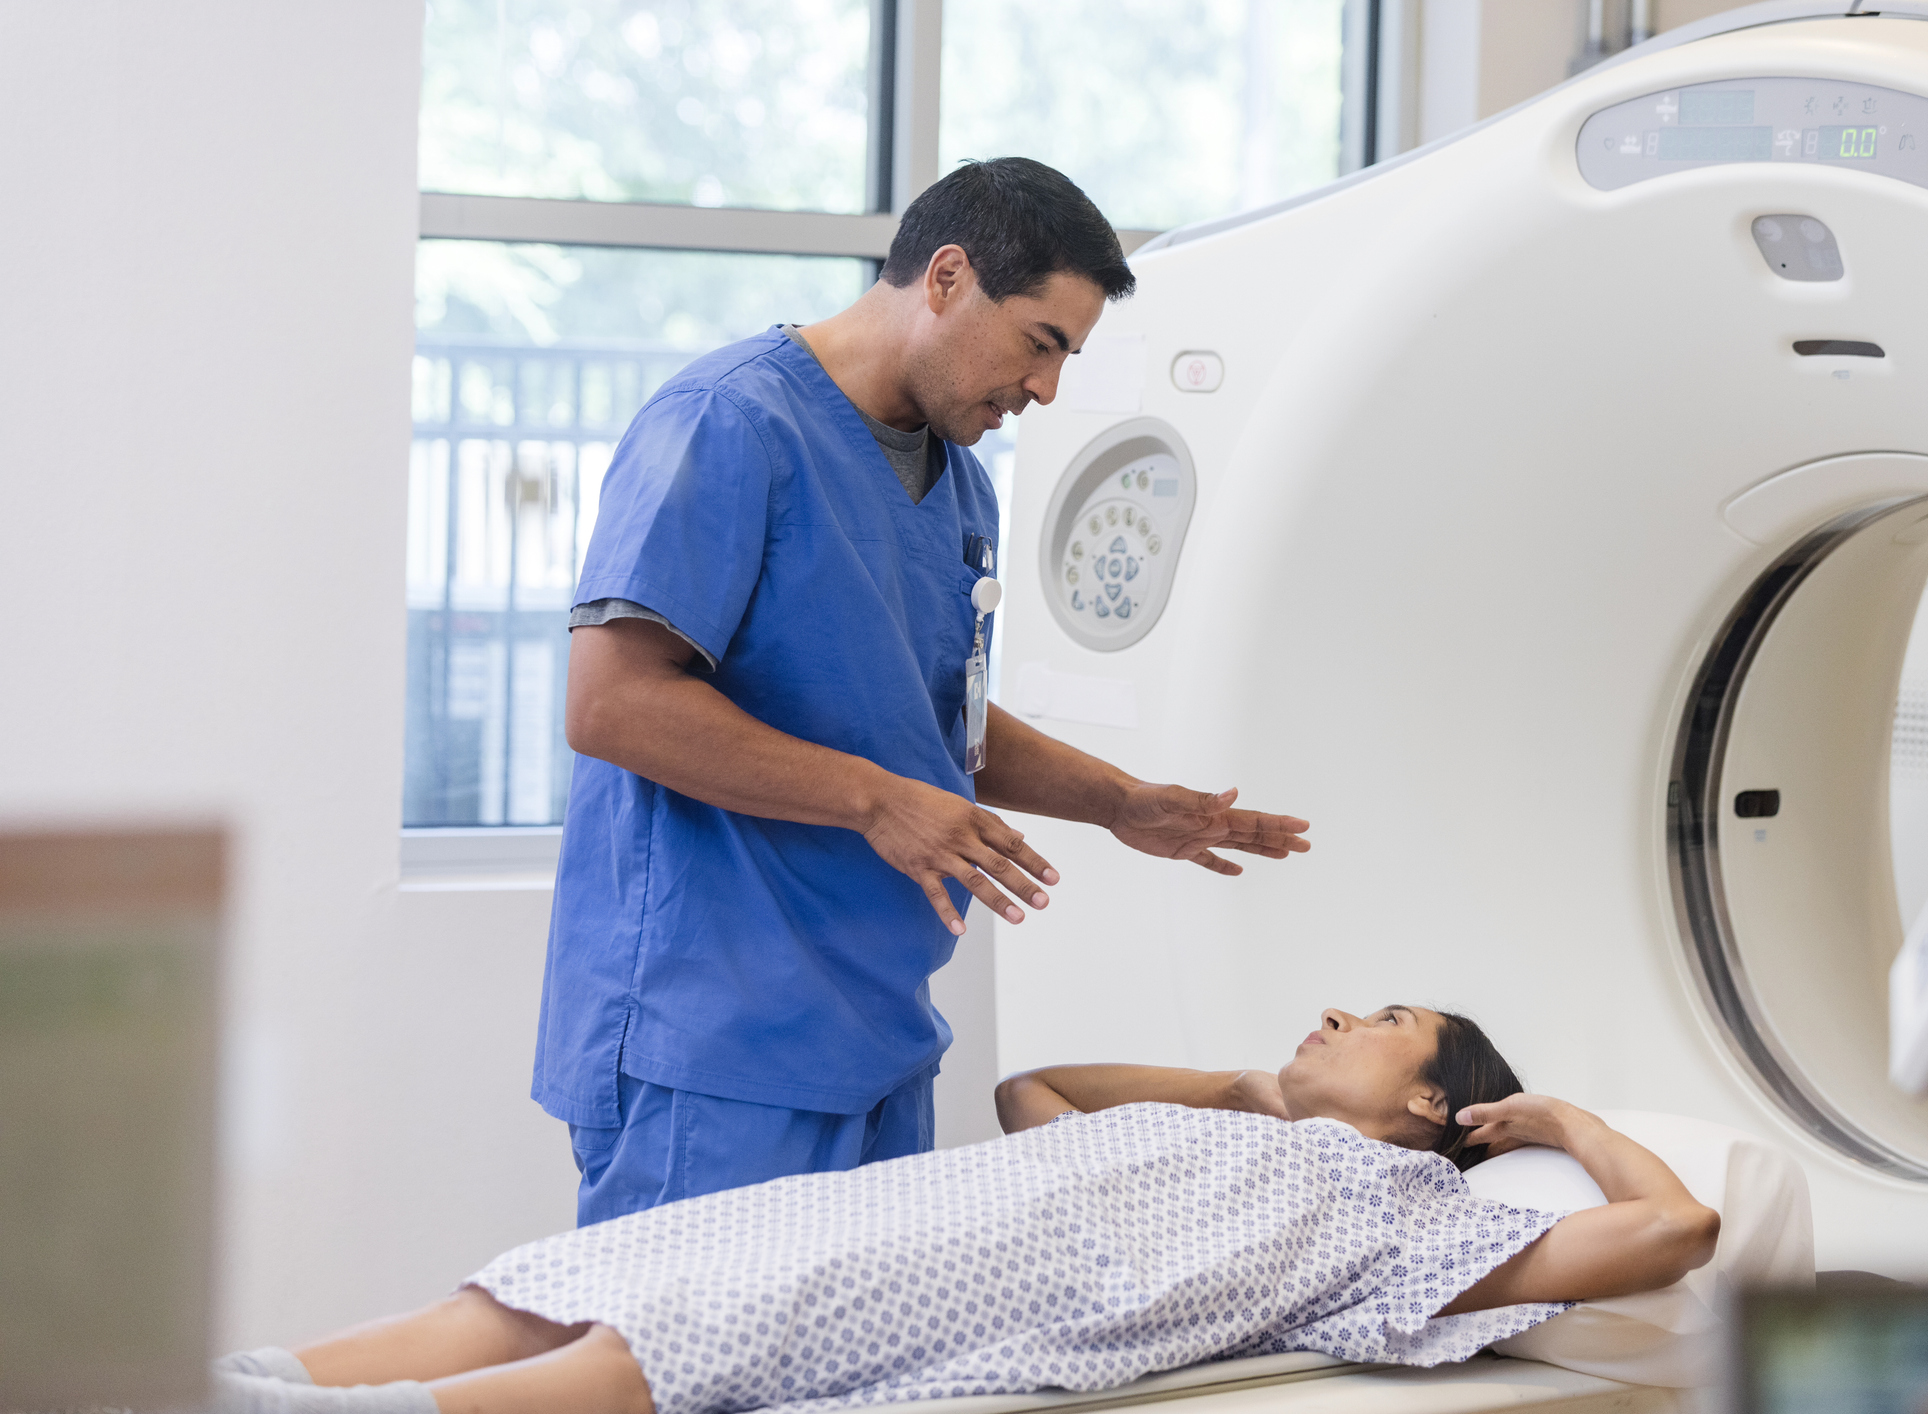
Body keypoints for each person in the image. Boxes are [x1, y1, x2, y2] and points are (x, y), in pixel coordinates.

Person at [541, 155, 1314, 1227]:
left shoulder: (958, 483)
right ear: (946, 276)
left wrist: (1121, 803)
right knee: (674, 1377)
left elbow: (925, 716)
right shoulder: (730, 424)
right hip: (715, 1031)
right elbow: (612, 704)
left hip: (877, 1032)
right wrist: (877, 798)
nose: (1045, 389)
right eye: (1042, 344)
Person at [204, 1005, 1720, 1414]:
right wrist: (1251, 1083)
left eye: (1384, 1015)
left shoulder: (1406, 1210)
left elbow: (1677, 1234)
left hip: (1021, 1276)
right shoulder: (1240, 1119)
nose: (1336, 1008)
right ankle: (269, 1376)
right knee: (636, 1247)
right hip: (954, 1194)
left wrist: (1571, 1123)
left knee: (726, 1315)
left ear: (1430, 1107)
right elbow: (1033, 1099)